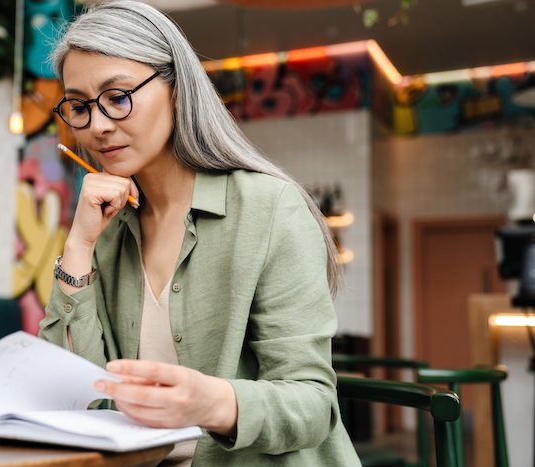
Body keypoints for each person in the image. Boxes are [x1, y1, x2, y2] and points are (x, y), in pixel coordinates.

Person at [39, 1, 360, 465]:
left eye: (117, 96)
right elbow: (71, 392)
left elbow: (313, 406)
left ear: (175, 89)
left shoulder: (270, 208)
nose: (99, 125)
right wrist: (78, 245)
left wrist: (213, 402)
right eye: (79, 106)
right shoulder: (105, 229)